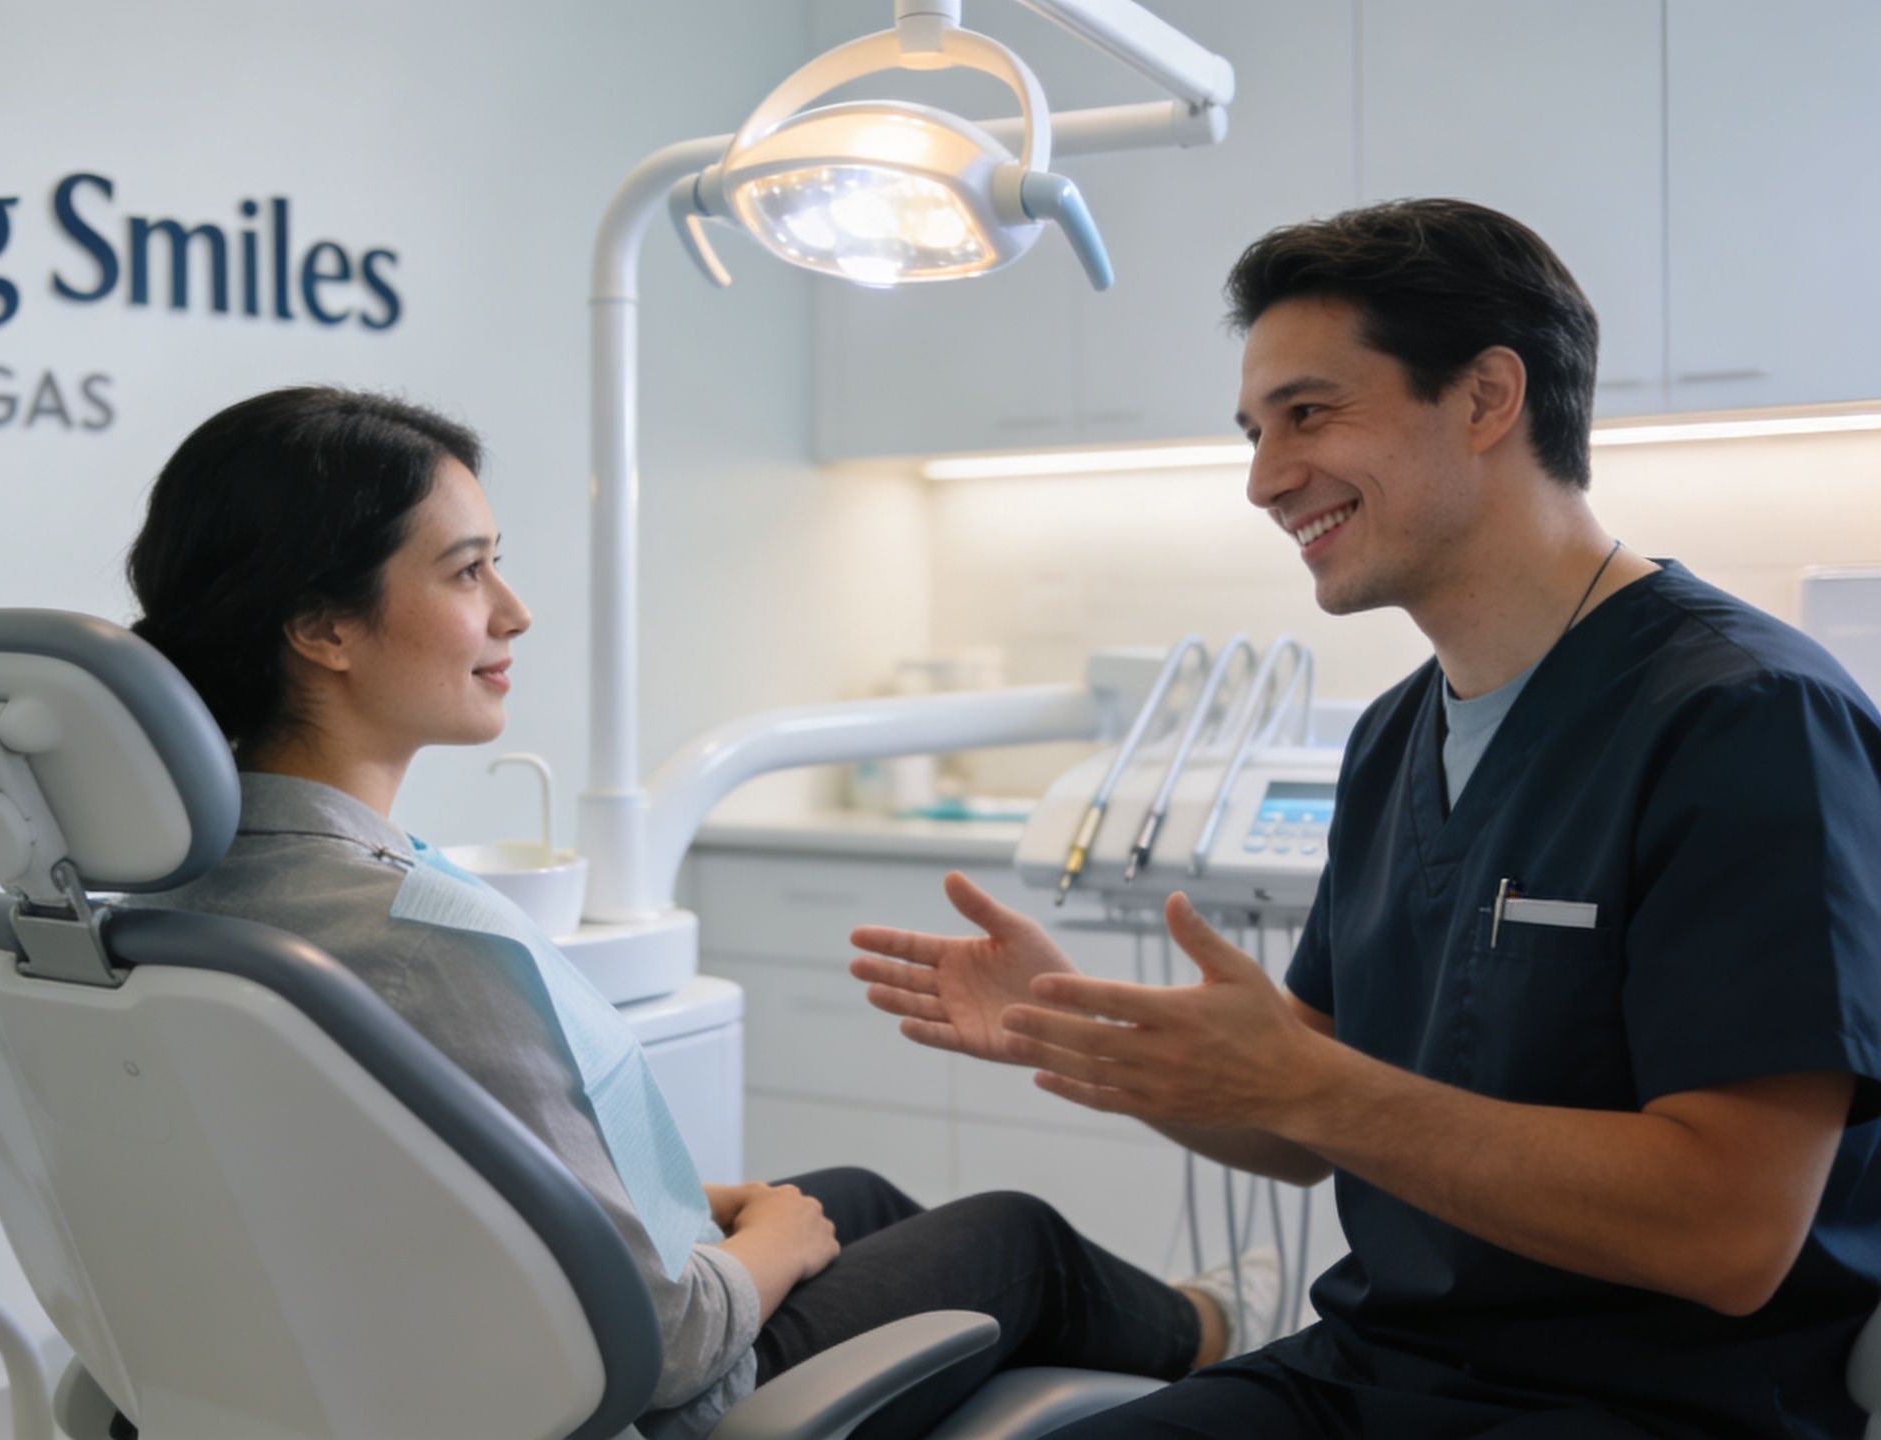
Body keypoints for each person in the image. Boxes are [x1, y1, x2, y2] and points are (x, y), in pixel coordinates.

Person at [855, 199, 1881, 1438]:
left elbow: (1731, 1231)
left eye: (1308, 413)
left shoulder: (1746, 719)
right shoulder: (1395, 738)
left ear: (1486, 399)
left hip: (1649, 1403)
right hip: (1374, 1368)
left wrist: (1310, 1087)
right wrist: (1080, 1034)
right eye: (1252, 431)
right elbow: (1294, 1116)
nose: (1261, 478)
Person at [118, 386, 1279, 1440]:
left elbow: (399, 1188)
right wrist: (766, 1247)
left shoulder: (182, 909)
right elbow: (665, 1345)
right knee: (1015, 1235)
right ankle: (1227, 1345)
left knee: (855, 1198)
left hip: (376, 1349)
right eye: (467, 572)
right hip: (632, 1401)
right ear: (322, 628)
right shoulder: (414, 935)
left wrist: (723, 1211)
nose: (513, 612)